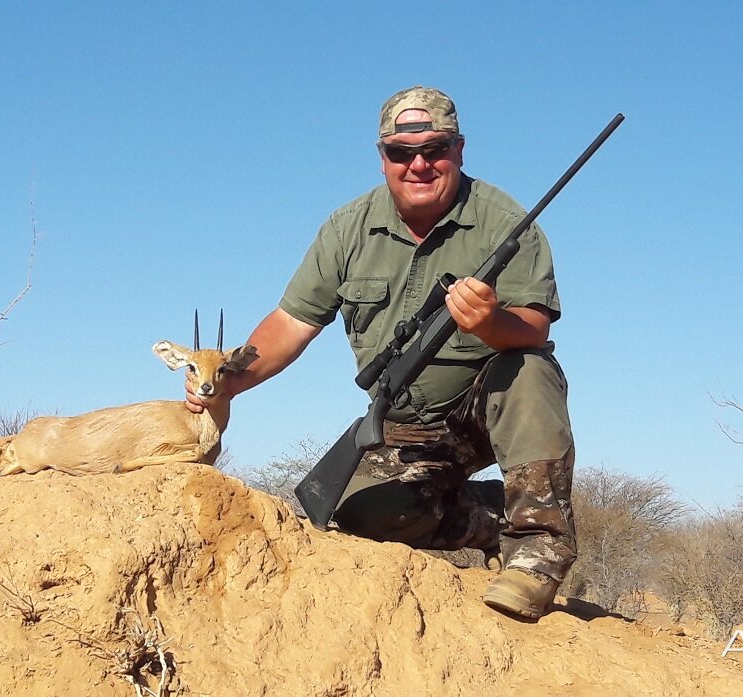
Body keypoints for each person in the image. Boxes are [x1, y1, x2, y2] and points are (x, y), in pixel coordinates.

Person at [187, 86, 577, 621]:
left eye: (435, 149)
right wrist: (230, 378)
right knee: (356, 515)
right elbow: (292, 323)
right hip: (400, 425)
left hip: (483, 412)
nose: (419, 164)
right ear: (383, 157)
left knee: (531, 370)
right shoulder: (347, 227)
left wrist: (490, 322)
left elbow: (533, 327)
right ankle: (489, 517)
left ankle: (537, 550)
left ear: (459, 150)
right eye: (401, 153)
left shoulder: (506, 221)